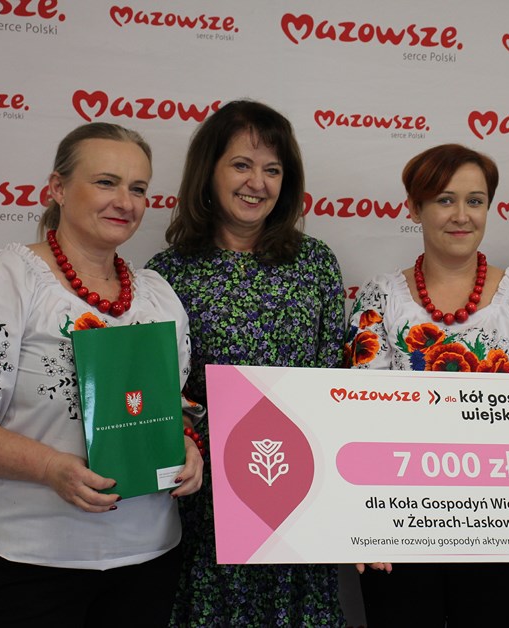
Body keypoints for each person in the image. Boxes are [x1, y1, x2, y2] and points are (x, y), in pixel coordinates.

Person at [0, 122, 203, 626]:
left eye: (138, 189)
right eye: (106, 182)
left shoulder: (158, 295)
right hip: (24, 559)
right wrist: (51, 467)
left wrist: (186, 444)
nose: (125, 202)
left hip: (148, 557)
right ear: (58, 188)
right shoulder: (3, 279)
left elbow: (166, 404)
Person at [346, 144, 509, 627]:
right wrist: (364, 524)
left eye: (475, 200)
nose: (462, 215)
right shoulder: (379, 297)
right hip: (400, 526)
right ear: (414, 208)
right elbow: (357, 417)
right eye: (445, 200)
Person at [146, 99, 346, 627]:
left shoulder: (316, 263)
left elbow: (332, 380)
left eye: (272, 170)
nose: (257, 182)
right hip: (207, 498)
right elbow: (160, 391)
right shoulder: (166, 273)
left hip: (298, 490)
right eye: (241, 164)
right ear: (208, 171)